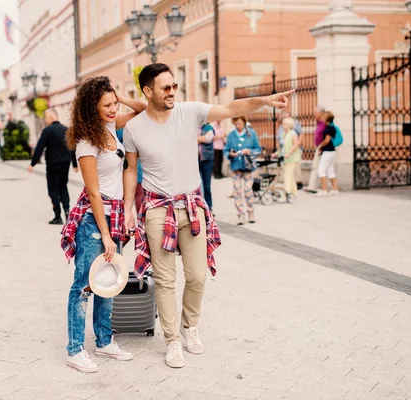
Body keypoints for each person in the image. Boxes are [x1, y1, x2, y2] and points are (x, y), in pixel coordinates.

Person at [122, 63, 293, 368]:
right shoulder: (134, 128)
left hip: (192, 207)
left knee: (198, 276)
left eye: (174, 85)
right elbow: (130, 170)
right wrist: (127, 208)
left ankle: (190, 327)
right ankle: (172, 340)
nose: (173, 91)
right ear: (148, 91)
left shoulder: (190, 112)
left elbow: (230, 106)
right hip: (158, 208)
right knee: (164, 279)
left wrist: (264, 100)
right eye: (166, 87)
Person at [60, 76, 146, 374]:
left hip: (116, 214)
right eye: (106, 105)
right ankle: (74, 349)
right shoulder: (86, 141)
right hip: (94, 220)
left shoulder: (110, 127)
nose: (112, 109)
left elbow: (144, 110)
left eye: (113, 104)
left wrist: (118, 96)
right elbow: (93, 191)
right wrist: (107, 235)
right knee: (84, 284)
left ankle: (104, 341)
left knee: (108, 282)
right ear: (90, 108)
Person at [29, 109, 78, 225]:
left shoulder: (47, 131)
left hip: (52, 164)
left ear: (51, 117)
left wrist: (32, 163)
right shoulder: (67, 130)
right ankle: (67, 212)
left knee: (53, 190)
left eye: (46, 117)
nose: (45, 120)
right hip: (65, 163)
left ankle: (57, 216)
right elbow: (73, 148)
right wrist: (75, 164)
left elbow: (40, 147)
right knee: (63, 187)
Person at [224, 116, 262, 225]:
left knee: (248, 190)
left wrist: (249, 151)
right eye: (235, 124)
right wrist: (230, 154)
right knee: (237, 192)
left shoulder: (251, 133)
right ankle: (240, 214)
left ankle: (250, 212)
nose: (237, 126)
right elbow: (226, 150)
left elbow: (258, 149)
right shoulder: (231, 135)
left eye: (239, 123)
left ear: (244, 122)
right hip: (235, 167)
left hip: (247, 167)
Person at [116, 128, 144, 212]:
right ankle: (141, 219)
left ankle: (123, 216)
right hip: (137, 164)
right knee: (139, 193)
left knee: (124, 195)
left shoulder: (119, 129)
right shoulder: (136, 128)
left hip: (123, 165)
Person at [316, 111, 339, 197]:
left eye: (323, 116)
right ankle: (335, 190)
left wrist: (320, 146)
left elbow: (327, 140)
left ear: (327, 118)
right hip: (330, 151)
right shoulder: (330, 126)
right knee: (330, 171)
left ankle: (324, 190)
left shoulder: (330, 128)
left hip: (328, 151)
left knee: (321, 170)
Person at [279, 117, 302, 202]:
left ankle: (286, 194)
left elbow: (296, 145)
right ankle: (294, 193)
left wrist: (289, 153)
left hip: (292, 158)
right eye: (282, 123)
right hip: (285, 159)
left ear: (289, 125)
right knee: (290, 177)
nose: (283, 125)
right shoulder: (283, 134)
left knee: (287, 176)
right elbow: (281, 147)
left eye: (284, 124)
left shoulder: (293, 133)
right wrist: (276, 154)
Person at [305, 106, 326, 193]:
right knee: (317, 167)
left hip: (322, 148)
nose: (314, 114)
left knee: (317, 167)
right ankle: (313, 186)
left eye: (315, 112)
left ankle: (313, 187)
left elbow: (327, 137)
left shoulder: (325, 123)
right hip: (319, 147)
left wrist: (322, 147)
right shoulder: (319, 122)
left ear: (321, 113)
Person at [198, 123, 215, 211]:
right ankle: (200, 207)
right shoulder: (192, 126)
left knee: (207, 186)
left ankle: (209, 207)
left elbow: (208, 139)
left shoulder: (209, 127)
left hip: (207, 160)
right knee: (197, 185)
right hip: (195, 160)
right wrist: (201, 139)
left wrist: (197, 138)